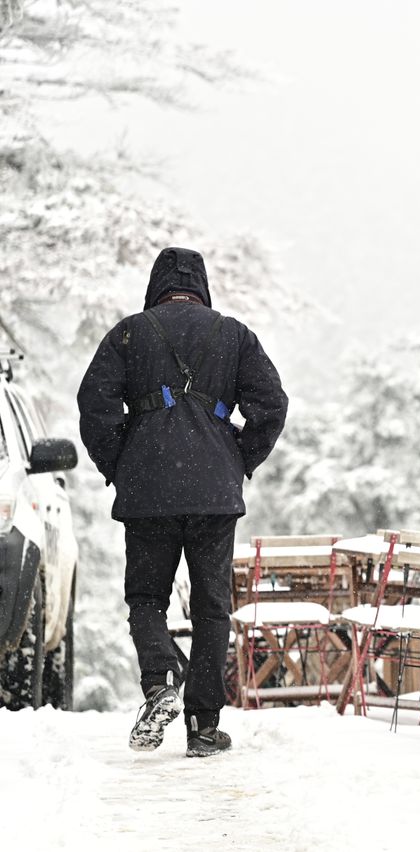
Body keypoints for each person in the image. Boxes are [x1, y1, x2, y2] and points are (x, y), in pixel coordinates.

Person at [78, 246, 287, 757]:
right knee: (212, 607)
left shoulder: (130, 332)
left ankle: (161, 682)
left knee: (147, 597)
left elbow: (94, 403)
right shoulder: (233, 334)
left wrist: (121, 464)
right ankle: (203, 725)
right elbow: (272, 403)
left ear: (157, 285)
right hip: (215, 494)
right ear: (202, 286)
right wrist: (240, 457)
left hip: (148, 491)